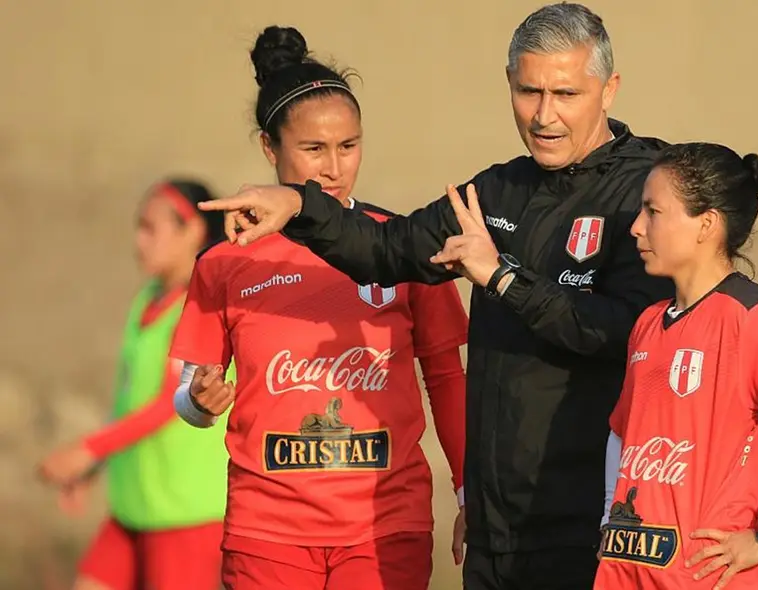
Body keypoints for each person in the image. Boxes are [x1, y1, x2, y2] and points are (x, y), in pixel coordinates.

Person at [198, 4, 677, 588]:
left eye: (566, 93)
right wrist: (301, 207)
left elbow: (622, 332)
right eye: (529, 92)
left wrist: (501, 279)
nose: (544, 115)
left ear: (609, 90)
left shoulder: (649, 191)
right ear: (508, 85)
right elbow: (386, 249)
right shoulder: (499, 190)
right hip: (499, 528)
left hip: (594, 525)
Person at [168, 26, 469, 590]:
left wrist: (468, 491)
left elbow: (448, 377)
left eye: (348, 146)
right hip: (267, 532)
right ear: (269, 147)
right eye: (313, 149)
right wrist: (200, 402)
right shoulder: (226, 261)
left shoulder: (403, 247)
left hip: (385, 527)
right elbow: (188, 394)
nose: (333, 167)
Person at [595, 143, 758, 590]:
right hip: (627, 574)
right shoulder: (649, 324)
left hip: (710, 580)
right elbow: (622, 431)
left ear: (706, 225)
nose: (637, 227)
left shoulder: (752, 317)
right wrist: (608, 519)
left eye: (653, 211)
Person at [36, 179, 231, 590]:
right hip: (131, 506)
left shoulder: (202, 306)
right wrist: (95, 467)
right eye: (137, 227)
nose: (138, 240)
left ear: (193, 230)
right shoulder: (147, 300)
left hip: (184, 514)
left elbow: (167, 403)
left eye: (149, 228)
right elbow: (129, 399)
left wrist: (88, 447)